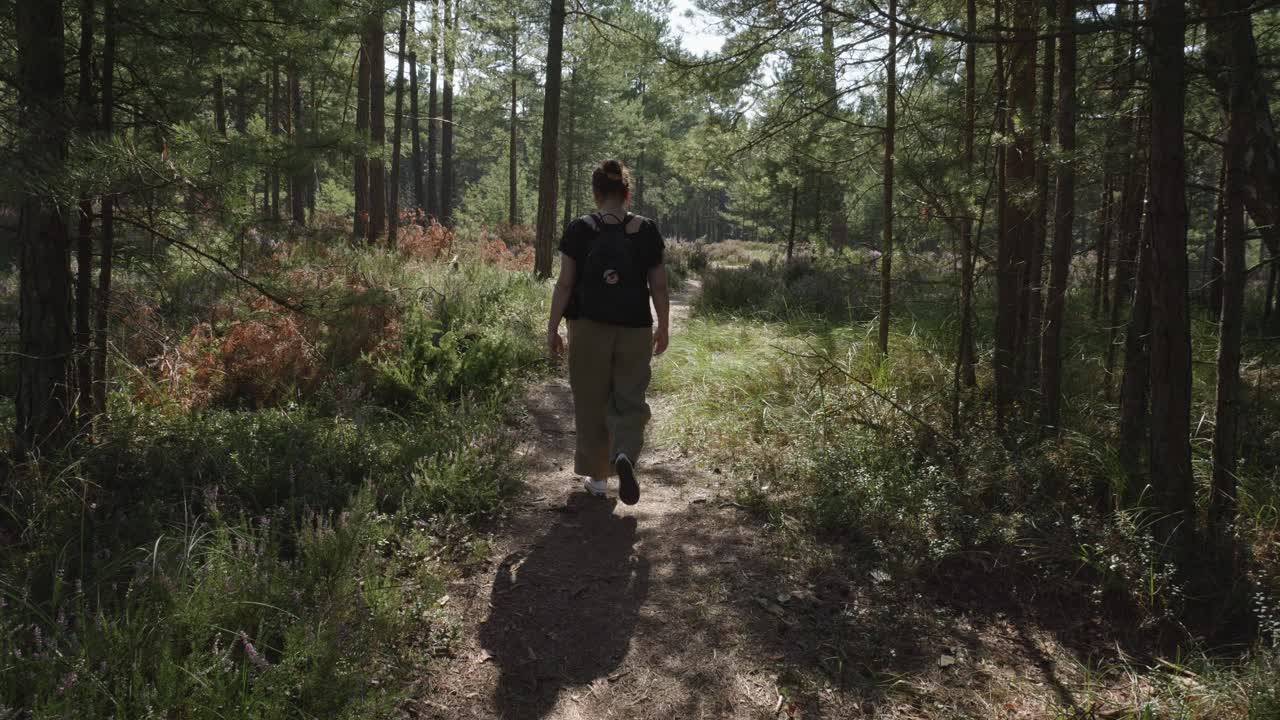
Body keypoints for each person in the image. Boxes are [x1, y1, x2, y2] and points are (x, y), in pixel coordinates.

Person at [547, 159, 669, 505]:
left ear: (596, 192)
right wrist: (664, 325)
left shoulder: (579, 229)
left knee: (591, 399)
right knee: (630, 398)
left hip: (587, 326)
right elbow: (659, 287)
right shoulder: (646, 230)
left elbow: (565, 283)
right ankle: (626, 454)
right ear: (627, 193)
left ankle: (598, 479)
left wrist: (553, 327)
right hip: (634, 328)